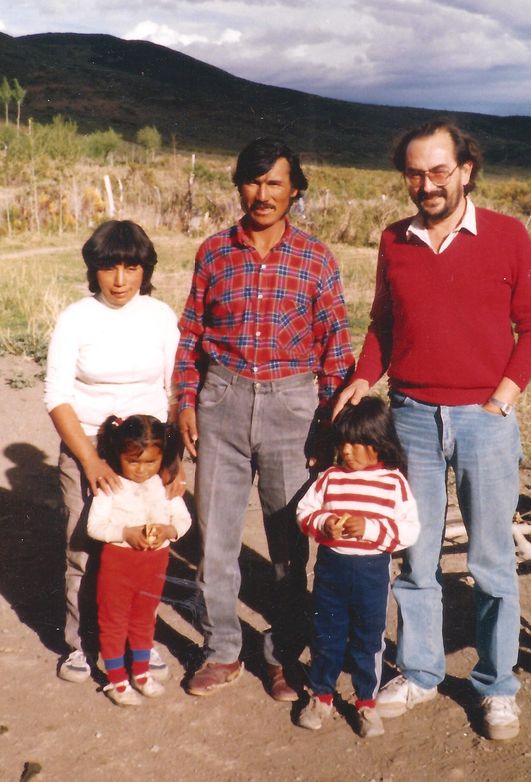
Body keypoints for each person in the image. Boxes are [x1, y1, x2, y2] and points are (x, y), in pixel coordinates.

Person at [334, 120, 531, 740]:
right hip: (411, 418)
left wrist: (502, 397)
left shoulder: (507, 235)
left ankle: (496, 685)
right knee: (416, 555)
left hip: (484, 423)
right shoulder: (394, 240)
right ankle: (421, 673)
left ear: (465, 170)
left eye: (438, 171)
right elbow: (383, 323)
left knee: (490, 561)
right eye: (414, 173)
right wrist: (363, 376)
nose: (425, 184)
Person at [174, 137, 354, 700]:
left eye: (275, 182)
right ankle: (222, 649)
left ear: (294, 189)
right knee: (216, 542)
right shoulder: (214, 252)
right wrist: (184, 400)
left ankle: (283, 655)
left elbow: (336, 349)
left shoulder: (316, 257)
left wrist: (329, 427)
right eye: (253, 181)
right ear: (239, 186)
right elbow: (191, 336)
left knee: (288, 548)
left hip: (293, 409)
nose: (263, 194)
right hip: (221, 402)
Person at [44, 220, 183, 684]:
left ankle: (138, 642)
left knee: (145, 548)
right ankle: (82, 644)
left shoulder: (160, 316)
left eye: (131, 266)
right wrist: (89, 461)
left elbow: (175, 391)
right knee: (84, 545)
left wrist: (173, 462)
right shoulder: (76, 318)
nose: (120, 279)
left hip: (146, 456)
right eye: (109, 267)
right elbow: (57, 397)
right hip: (89, 448)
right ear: (94, 270)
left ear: (145, 269)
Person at [295, 396, 420, 738]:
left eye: (356, 443)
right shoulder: (330, 478)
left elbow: (409, 530)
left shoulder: (394, 483)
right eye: (342, 442)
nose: (347, 451)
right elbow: (305, 511)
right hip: (331, 570)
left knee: (369, 638)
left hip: (371, 574)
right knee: (327, 635)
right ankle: (321, 695)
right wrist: (324, 523)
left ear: (378, 444)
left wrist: (370, 529)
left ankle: (366, 701)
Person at [88, 415, 192, 706]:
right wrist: (125, 533)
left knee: (145, 619)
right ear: (118, 455)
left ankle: (141, 672)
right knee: (114, 622)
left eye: (150, 462)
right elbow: (94, 527)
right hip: (118, 566)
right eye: (133, 462)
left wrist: (168, 531)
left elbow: (183, 520)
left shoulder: (164, 485)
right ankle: (117, 680)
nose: (142, 470)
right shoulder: (111, 486)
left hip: (154, 566)